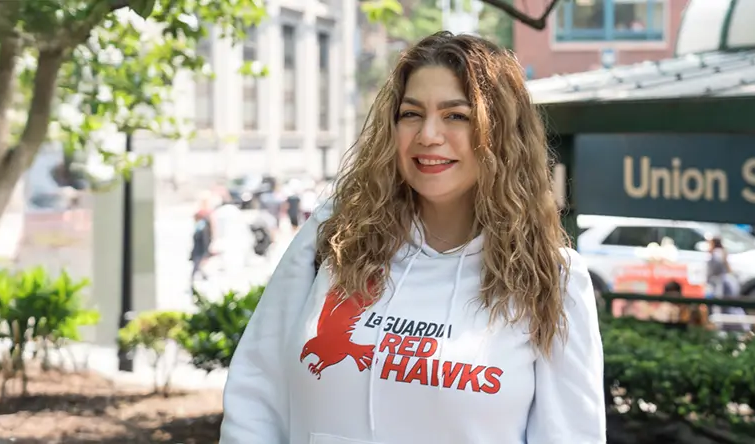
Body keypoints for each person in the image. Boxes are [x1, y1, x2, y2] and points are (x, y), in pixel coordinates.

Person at [220, 32, 604, 443]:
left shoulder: (552, 279)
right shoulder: (335, 238)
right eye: (412, 114)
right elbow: (255, 396)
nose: (428, 135)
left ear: (501, 134)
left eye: (456, 115)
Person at [706, 237, 748, 333]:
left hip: (720, 284)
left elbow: (714, 271)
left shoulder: (716, 254)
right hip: (724, 283)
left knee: (722, 307)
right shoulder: (721, 252)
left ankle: (723, 328)